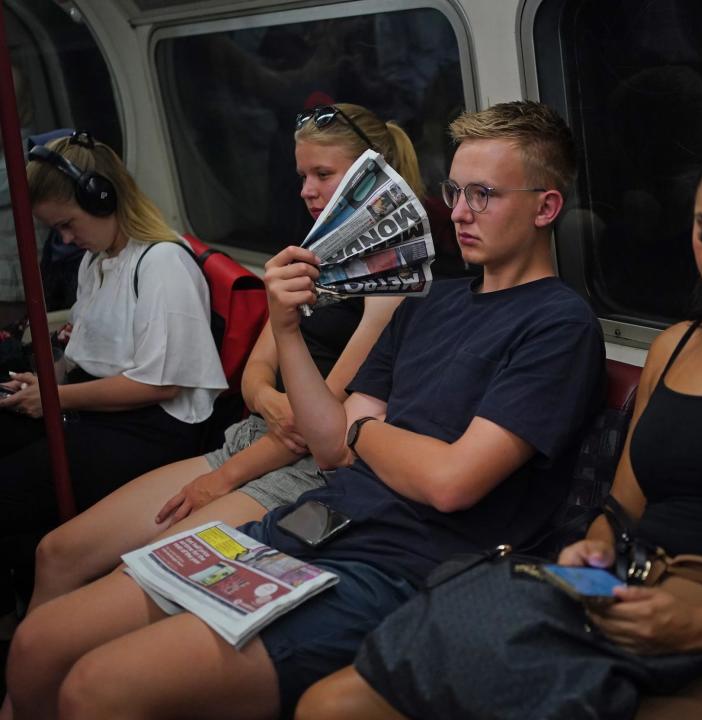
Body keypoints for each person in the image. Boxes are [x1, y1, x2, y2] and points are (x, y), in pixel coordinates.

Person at [295, 114, 702, 720]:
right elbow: (622, 508)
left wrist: (701, 627)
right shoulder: (676, 346)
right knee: (335, 703)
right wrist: (596, 547)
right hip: (629, 599)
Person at [5, 99, 605, 720]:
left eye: (483, 195)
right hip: (309, 523)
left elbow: (450, 482)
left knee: (97, 687)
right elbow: (327, 445)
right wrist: (287, 328)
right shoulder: (431, 301)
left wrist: (364, 430)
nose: (457, 212)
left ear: (546, 207)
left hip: (398, 563)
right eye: (455, 191)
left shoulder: (558, 324)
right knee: (40, 643)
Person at [23, 103, 433, 612]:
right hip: (253, 437)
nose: (306, 189)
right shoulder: (313, 256)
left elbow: (317, 429)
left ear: (371, 176)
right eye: (302, 174)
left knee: (132, 581)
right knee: (56, 553)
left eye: (323, 175)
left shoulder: (391, 284)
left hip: (302, 465)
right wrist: (268, 401)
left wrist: (221, 479)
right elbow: (256, 372)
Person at [0, 131, 227, 609]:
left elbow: (161, 383)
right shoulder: (97, 262)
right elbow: (84, 355)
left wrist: (55, 399)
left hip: (152, 431)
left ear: (102, 198)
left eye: (67, 224)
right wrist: (43, 384)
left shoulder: (162, 263)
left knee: (14, 486)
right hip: (101, 410)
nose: (65, 239)